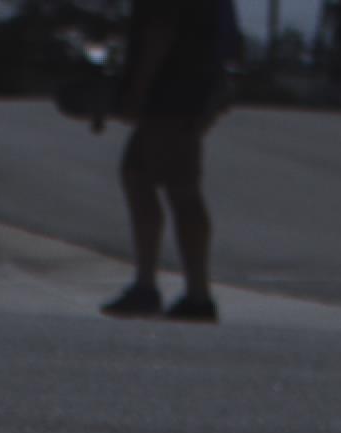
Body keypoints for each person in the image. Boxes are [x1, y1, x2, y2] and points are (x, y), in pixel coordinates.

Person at [100, 0, 239, 323]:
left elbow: (160, 32)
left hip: (173, 95)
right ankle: (149, 285)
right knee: (138, 175)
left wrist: (137, 91)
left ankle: (195, 295)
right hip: (183, 92)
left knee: (181, 188)